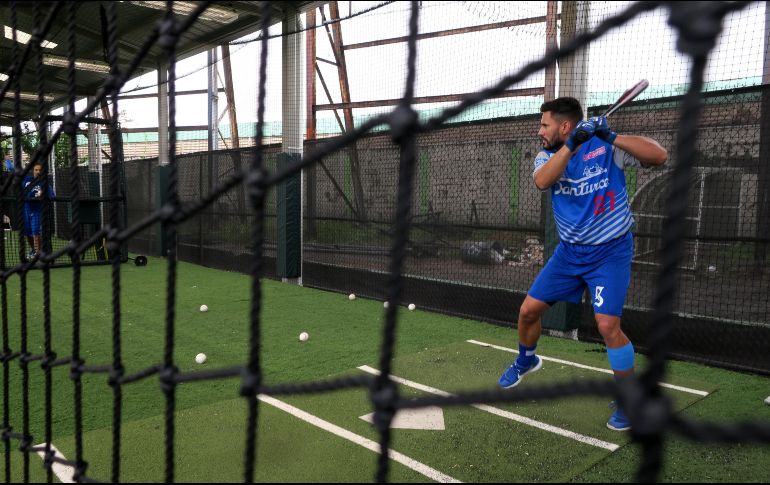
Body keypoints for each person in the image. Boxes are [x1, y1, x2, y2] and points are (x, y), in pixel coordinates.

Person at [497, 97, 667, 431]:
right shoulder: (547, 155)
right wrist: (572, 145)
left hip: (610, 252)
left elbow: (659, 156)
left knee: (607, 326)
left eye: (545, 124)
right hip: (570, 253)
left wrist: (611, 136)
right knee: (528, 311)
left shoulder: (606, 149)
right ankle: (527, 359)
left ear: (564, 125)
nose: (540, 130)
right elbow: (542, 181)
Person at [22, 162, 55, 258]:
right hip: (26, 210)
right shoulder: (27, 180)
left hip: (37, 210)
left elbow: (52, 195)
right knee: (28, 233)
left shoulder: (44, 183)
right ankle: (33, 249)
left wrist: (43, 194)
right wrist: (8, 162)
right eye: (36, 170)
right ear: (33, 171)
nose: (38, 172)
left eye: (40, 170)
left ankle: (38, 252)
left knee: (35, 231)